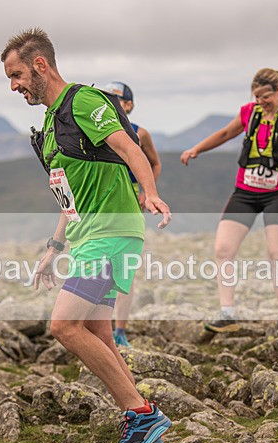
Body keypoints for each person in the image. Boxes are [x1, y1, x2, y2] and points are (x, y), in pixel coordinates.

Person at [1, 28, 173, 443]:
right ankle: (147, 440)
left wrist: (150, 192)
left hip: (113, 234)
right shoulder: (53, 125)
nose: (13, 86)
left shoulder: (83, 101)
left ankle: (141, 415)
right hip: (86, 238)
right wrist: (54, 248)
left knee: (63, 325)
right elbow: (68, 196)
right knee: (97, 329)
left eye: (16, 75)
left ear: (40, 65)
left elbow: (128, 147)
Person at [180, 68, 278, 332]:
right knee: (223, 250)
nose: (260, 101)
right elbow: (225, 134)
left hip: (276, 195)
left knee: (277, 254)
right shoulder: (249, 112)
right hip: (244, 194)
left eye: (265, 97)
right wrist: (196, 149)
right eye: (256, 96)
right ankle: (227, 313)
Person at [101, 82, 162, 348]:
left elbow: (154, 163)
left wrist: (148, 192)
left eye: (116, 98)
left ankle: (120, 331)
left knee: (123, 271)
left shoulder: (140, 134)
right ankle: (100, 328)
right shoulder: (97, 130)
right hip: (101, 208)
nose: (110, 103)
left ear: (128, 104)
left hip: (128, 208)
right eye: (106, 98)